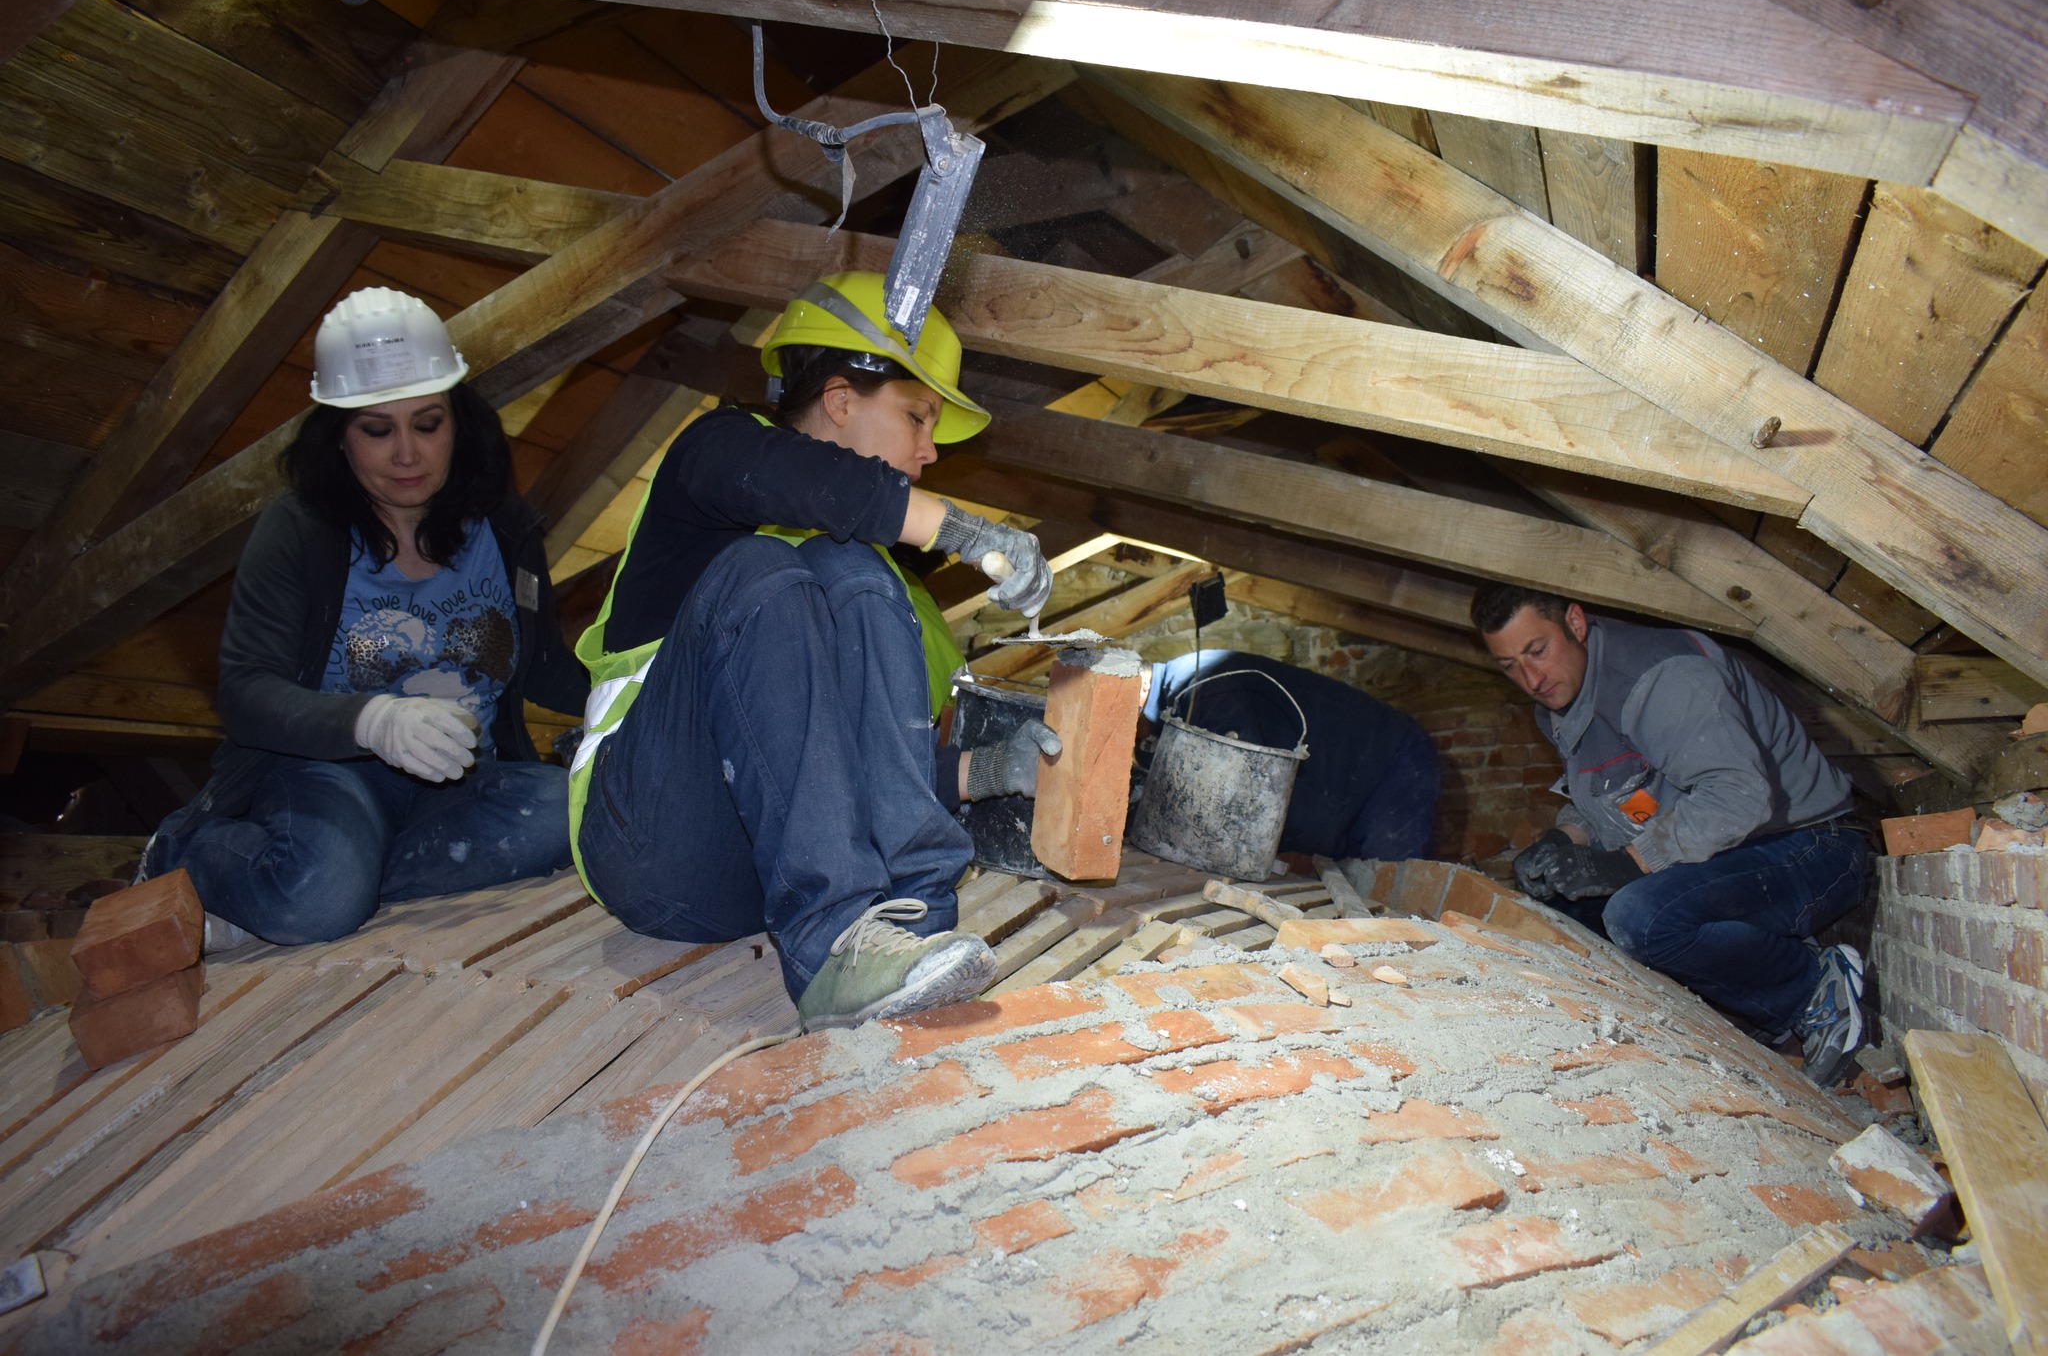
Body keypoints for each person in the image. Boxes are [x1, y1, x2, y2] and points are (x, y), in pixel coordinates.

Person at [568, 271, 1058, 1031]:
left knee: (855, 569)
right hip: (649, 848)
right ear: (838, 401)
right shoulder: (712, 463)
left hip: (760, 878)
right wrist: (961, 531)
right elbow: (783, 476)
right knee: (769, 568)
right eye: (917, 417)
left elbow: (812, 761)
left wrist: (988, 770)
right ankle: (834, 944)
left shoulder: (863, 583)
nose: (929, 451)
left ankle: (913, 919)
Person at [139, 287, 590, 947]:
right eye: (378, 430)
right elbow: (245, 692)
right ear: (340, 440)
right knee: (317, 897)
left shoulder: (505, 528)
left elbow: (544, 665)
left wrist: (636, 685)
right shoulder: (298, 531)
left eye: (428, 424)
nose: (408, 453)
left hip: (460, 778)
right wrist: (370, 720)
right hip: (330, 772)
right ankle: (186, 853)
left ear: (457, 422)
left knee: (571, 813)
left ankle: (338, 881)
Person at [1471, 582, 1870, 1083]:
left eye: (1537, 650)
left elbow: (1738, 799)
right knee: (1564, 905)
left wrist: (1628, 864)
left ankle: (1810, 988)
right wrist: (1561, 843)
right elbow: (1615, 802)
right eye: (1510, 666)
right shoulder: (1560, 704)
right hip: (1722, 858)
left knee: (1639, 916)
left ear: (1574, 623)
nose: (1531, 678)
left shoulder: (1661, 676)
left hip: (1810, 845)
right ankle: (1714, 1011)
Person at [1138, 649, 1438, 861]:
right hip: (1341, 786)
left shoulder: (1199, 687)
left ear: (1137, 690)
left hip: (1390, 763)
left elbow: (1238, 792)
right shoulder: (1174, 697)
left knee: (1388, 897)